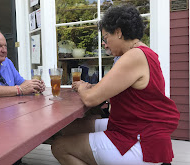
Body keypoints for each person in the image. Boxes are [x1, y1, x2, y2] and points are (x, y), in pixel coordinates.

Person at [51, 5, 180, 165]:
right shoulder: (144, 53)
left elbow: (91, 100)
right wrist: (94, 88)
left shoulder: (133, 56)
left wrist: (84, 88)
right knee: (73, 127)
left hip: (140, 141)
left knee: (59, 146)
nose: (105, 44)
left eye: (105, 38)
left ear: (118, 32)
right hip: (132, 126)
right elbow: (120, 91)